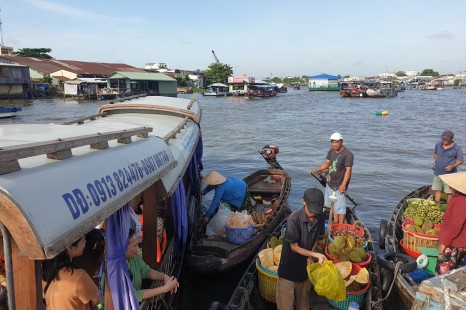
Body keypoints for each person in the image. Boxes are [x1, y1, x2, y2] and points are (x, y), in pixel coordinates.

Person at [276, 188, 327, 310]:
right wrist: (316, 255)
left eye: (316, 211)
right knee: (285, 306)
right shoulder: (293, 219)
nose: (313, 215)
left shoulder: (320, 217)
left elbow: (316, 238)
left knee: (303, 306)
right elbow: (294, 247)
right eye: (311, 210)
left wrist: (310, 255)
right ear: (303, 202)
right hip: (288, 271)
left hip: (304, 272)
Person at [42, 236, 100, 310]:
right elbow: (96, 299)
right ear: (69, 247)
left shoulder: (46, 272)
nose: (85, 242)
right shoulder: (78, 276)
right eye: (83, 240)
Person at [310, 132, 354, 224]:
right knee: (331, 204)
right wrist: (317, 169)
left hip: (340, 185)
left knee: (340, 207)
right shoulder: (331, 151)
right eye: (332, 142)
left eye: (337, 142)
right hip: (330, 183)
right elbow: (327, 163)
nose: (334, 144)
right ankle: (335, 219)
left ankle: (341, 225)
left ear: (341, 142)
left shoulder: (348, 154)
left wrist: (343, 185)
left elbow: (348, 171)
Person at [126, 229, 179, 302]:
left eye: (137, 244)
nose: (137, 248)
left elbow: (147, 271)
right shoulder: (116, 269)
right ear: (123, 247)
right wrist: (165, 288)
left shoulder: (133, 258)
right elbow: (133, 294)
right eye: (134, 246)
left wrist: (164, 277)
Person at [436, 172, 466, 275]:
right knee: (455, 271)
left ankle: (441, 290)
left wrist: (443, 243)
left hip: (454, 243)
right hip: (460, 243)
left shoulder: (460, 201)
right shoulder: (460, 199)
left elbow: (455, 226)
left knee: (442, 272)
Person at [432, 130, 464, 203]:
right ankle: (437, 205)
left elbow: (461, 160)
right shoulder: (438, 144)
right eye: (443, 138)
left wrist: (452, 166)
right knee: (437, 189)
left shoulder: (457, 148)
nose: (444, 140)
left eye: (446, 139)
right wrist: (437, 162)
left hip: (450, 175)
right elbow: (435, 154)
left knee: (449, 192)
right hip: (438, 172)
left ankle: (448, 207)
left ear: (451, 139)